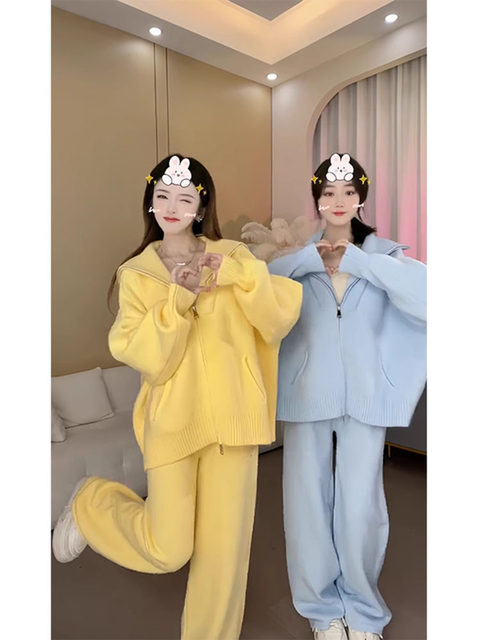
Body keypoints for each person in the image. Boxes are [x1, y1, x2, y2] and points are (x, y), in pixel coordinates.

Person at [52, 154, 302, 640]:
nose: (171, 206)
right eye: (162, 195)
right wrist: (179, 299)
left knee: (224, 555)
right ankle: (92, 502)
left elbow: (277, 319)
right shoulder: (137, 275)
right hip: (172, 424)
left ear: (200, 207)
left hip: (234, 422)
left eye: (184, 198)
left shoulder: (234, 257)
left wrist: (236, 277)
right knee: (168, 548)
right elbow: (148, 358)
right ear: (150, 202)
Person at [268, 153, 426, 640]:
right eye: (328, 193)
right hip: (304, 394)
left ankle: (363, 612)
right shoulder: (295, 259)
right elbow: (260, 290)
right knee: (307, 506)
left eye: (349, 192)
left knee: (361, 508)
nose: (339, 201)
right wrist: (309, 260)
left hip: (366, 398)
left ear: (361, 198)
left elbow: (431, 301)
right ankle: (321, 611)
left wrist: (357, 261)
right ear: (317, 199)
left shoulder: (387, 256)